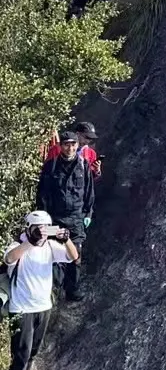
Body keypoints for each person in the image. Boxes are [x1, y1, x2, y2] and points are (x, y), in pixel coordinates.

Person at [4, 211, 79, 370]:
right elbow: (9, 258)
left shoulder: (50, 247)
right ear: (29, 228)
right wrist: (31, 242)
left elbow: (74, 257)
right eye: (39, 228)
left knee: (33, 353)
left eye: (47, 227)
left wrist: (66, 240)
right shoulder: (17, 246)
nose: (43, 233)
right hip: (21, 309)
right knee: (21, 354)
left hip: (43, 307)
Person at [35, 128, 95, 303]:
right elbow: (43, 193)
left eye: (73, 145)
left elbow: (89, 192)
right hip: (55, 217)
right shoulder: (51, 166)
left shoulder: (83, 165)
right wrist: (44, 218)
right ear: (60, 146)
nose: (69, 148)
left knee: (75, 255)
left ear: (77, 146)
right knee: (53, 255)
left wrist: (88, 213)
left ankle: (72, 290)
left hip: (76, 218)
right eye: (66, 145)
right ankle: (52, 290)